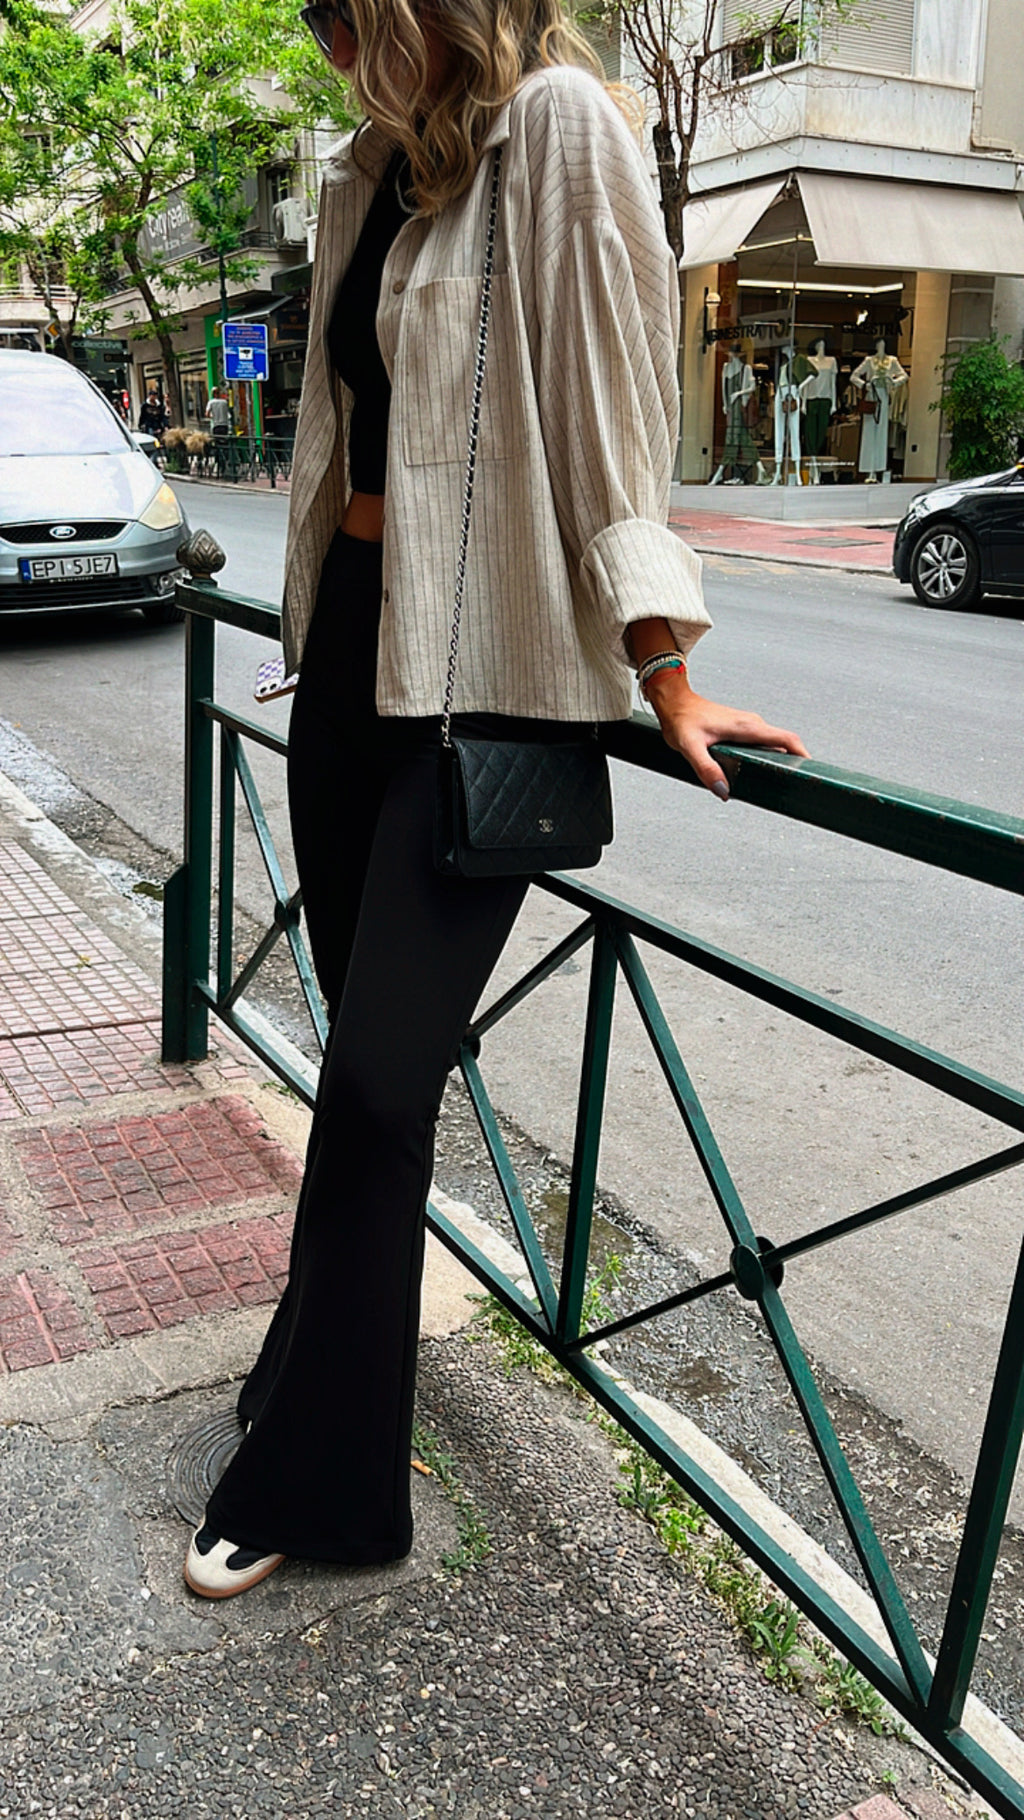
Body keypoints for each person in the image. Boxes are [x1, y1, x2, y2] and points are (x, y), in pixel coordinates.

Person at [183, 0, 808, 1600]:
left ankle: (324, 1488)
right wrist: (312, 634)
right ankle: (304, 1382)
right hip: (351, 679)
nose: (330, 42)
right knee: (355, 1071)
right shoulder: (363, 169)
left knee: (388, 1086)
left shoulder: (567, 134)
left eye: (345, 14)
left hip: (495, 690)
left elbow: (613, 433)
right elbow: (339, 440)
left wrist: (663, 669)